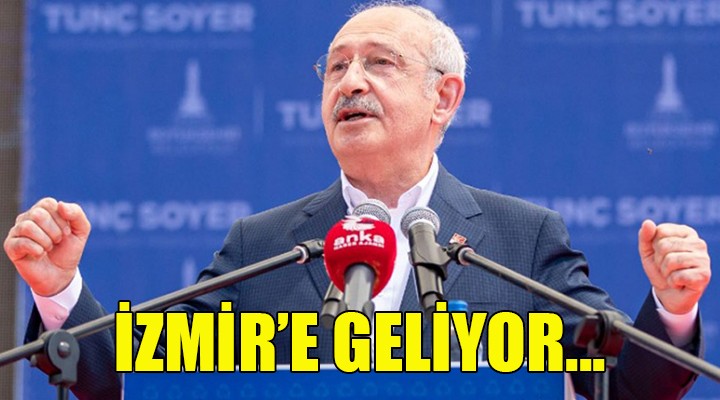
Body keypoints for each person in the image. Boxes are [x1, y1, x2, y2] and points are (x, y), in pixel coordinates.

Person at [4, 2, 711, 399]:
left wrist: (672, 308)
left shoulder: (520, 238)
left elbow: (627, 384)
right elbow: (134, 376)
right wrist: (61, 290)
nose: (349, 82)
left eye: (379, 63)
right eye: (336, 67)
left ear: (444, 97)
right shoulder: (262, 245)